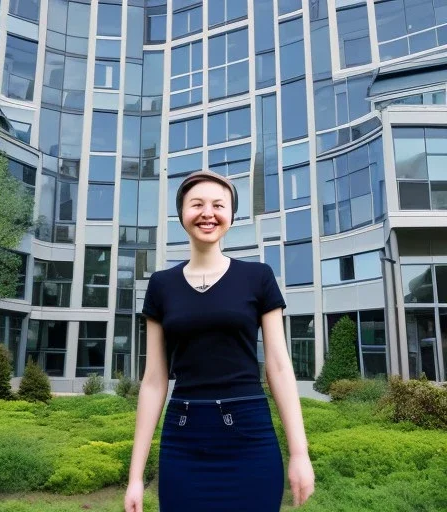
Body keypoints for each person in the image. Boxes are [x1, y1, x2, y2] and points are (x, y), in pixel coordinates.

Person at [124, 170, 314, 512]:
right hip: (184, 437)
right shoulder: (161, 285)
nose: (207, 213)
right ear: (182, 213)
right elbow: (153, 380)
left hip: (250, 437)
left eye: (218, 205)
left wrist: (299, 453)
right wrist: (135, 476)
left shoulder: (258, 277)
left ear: (231, 215)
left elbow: (279, 367)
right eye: (196, 204)